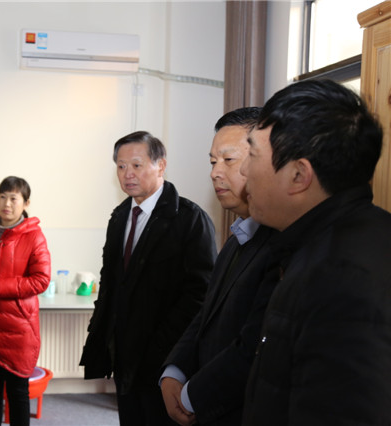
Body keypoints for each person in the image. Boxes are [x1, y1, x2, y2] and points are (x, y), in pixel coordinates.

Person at [240, 79, 391, 425]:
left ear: (299, 175)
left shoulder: (342, 279)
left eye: (253, 154)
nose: (244, 170)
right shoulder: (323, 245)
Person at [80, 131, 217, 425]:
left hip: (166, 358)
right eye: (120, 166)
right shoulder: (119, 217)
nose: (127, 174)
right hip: (124, 354)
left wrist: (164, 348)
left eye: (136, 165)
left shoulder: (190, 219)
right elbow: (111, 281)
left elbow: (200, 294)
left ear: (161, 165)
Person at [160, 107, 278, 426]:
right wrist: (174, 371)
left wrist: (191, 395)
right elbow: (206, 315)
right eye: (213, 162)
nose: (215, 172)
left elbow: (254, 347)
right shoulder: (237, 237)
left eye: (228, 160)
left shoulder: (281, 244)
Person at [0, 176, 51, 426]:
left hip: (19, 329)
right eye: (2, 196)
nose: (6, 203)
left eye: (13, 198)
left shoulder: (34, 236)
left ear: (26, 203)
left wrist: (0, 287)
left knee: (17, 392)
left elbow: (41, 279)